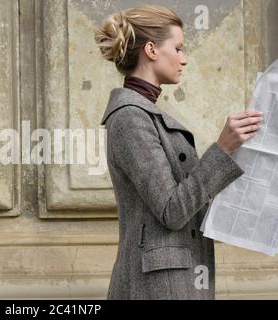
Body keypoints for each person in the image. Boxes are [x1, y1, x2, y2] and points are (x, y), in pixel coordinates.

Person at [95, 5, 264, 300]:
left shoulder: (145, 113)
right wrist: (222, 148)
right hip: (159, 285)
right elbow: (172, 211)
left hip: (176, 278)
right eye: (178, 48)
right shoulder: (130, 117)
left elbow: (187, 199)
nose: (184, 59)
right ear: (151, 50)